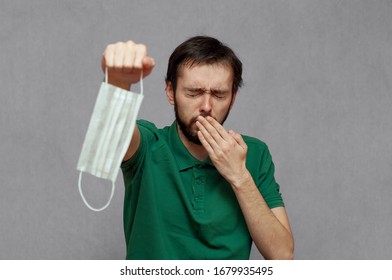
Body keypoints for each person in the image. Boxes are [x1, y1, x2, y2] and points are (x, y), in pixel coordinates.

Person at [101, 36, 294, 260]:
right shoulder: (148, 145)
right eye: (193, 93)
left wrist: (240, 177)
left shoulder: (254, 154)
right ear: (170, 92)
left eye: (219, 94)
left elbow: (282, 255)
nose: (206, 107)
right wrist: (116, 84)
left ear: (232, 99)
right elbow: (113, 135)